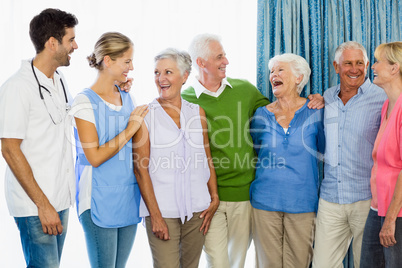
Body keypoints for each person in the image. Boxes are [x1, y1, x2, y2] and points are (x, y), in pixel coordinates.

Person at [181, 33, 323, 268]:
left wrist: (320, 99)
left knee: (239, 261)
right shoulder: (184, 99)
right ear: (201, 63)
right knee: (218, 260)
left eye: (225, 55)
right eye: (219, 56)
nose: (226, 60)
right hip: (212, 197)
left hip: (248, 196)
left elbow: (278, 114)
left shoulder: (246, 91)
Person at [0, 8, 78, 267]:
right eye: (70, 40)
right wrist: (43, 206)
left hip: (59, 199)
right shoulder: (17, 87)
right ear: (52, 43)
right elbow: (10, 149)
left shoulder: (60, 80)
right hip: (36, 205)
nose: (75, 46)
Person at [133, 48, 219, 268]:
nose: (161, 78)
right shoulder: (145, 115)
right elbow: (140, 170)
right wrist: (155, 216)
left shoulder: (197, 112)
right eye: (156, 73)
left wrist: (214, 196)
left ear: (184, 76)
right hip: (163, 212)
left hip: (198, 211)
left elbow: (206, 158)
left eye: (168, 72)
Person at [72, 32, 148, 267]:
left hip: (127, 196)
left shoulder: (127, 97)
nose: (132, 67)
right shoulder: (83, 102)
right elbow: (94, 156)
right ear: (108, 60)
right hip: (97, 198)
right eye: (127, 61)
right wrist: (130, 127)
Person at [312, 41, 387, 268]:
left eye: (359, 63)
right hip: (330, 198)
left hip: (366, 198)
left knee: (366, 264)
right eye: (347, 63)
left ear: (366, 65)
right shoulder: (328, 97)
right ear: (336, 67)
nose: (354, 69)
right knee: (322, 264)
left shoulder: (383, 97)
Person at [250, 53, 325, 268]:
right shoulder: (261, 115)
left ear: (299, 77)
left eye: (280, 70)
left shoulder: (317, 112)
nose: (273, 74)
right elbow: (258, 149)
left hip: (302, 202)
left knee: (298, 264)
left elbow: (323, 149)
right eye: (272, 71)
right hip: (264, 202)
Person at [360, 41, 402, 268]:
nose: (372, 67)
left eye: (377, 62)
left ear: (395, 68)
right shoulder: (388, 105)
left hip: (397, 213)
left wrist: (391, 219)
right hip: (378, 207)